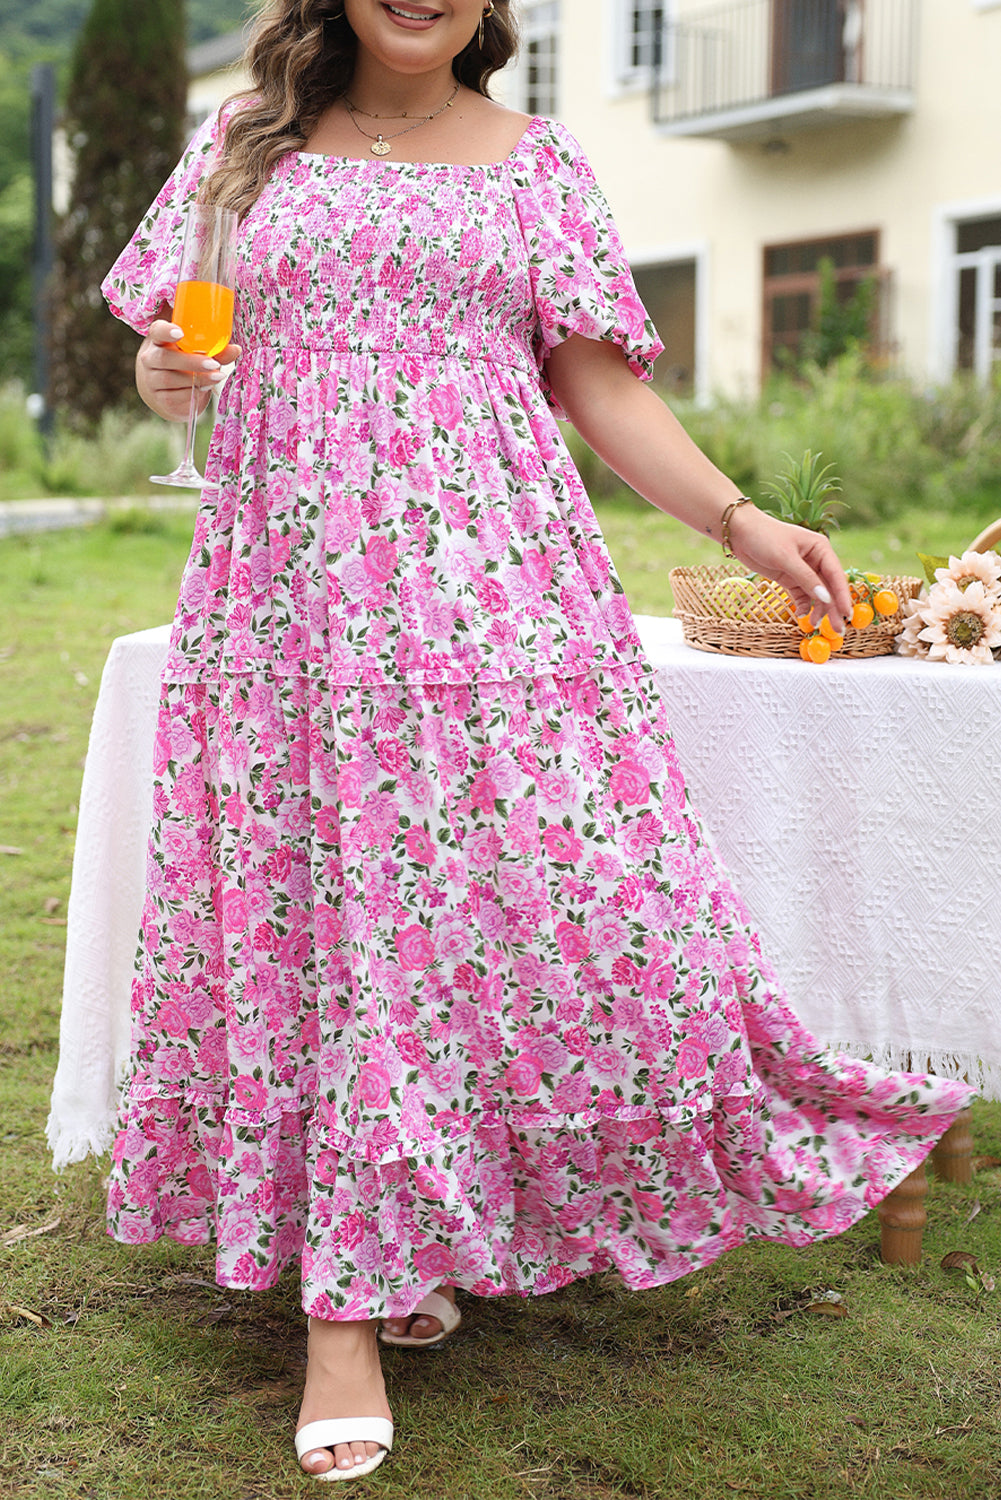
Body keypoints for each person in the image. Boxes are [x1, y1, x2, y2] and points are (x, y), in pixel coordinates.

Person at [101, 0, 974, 1483]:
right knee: (329, 909)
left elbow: (597, 384)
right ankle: (346, 1308)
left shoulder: (538, 162)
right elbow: (169, 346)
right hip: (292, 592)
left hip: (494, 589)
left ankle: (435, 1211)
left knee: (520, 902)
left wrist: (742, 523)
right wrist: (165, 381)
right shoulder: (245, 148)